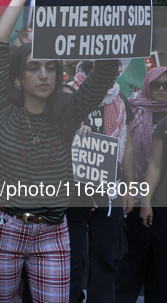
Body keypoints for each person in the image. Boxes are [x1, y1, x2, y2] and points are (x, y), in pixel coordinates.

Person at [0, 0, 119, 302]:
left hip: (53, 233)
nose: (44, 74)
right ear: (18, 78)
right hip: (3, 230)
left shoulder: (69, 112)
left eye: (51, 67)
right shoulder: (3, 107)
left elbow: (105, 70)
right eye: (33, 67)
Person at [66, 60, 135, 303]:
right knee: (72, 258)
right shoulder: (67, 94)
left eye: (115, 66)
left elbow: (125, 146)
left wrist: (128, 185)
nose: (112, 69)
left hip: (110, 189)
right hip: (73, 191)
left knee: (107, 257)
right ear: (88, 64)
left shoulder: (120, 99)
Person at [116, 66, 167, 302]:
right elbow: (125, 149)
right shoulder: (134, 109)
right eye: (156, 85)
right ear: (147, 85)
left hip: (161, 199)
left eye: (166, 85)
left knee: (160, 263)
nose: (161, 90)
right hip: (136, 195)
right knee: (134, 257)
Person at [139, 115, 167, 301]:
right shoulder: (164, 124)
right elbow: (155, 165)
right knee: (161, 266)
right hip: (162, 205)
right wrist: (146, 201)